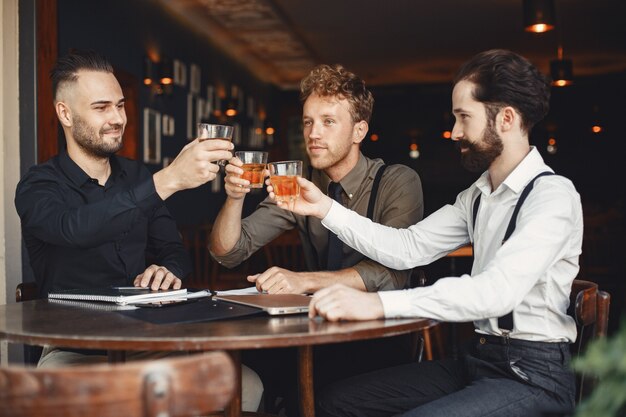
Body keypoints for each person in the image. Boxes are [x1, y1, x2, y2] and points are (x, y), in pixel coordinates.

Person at [271, 49, 582, 417]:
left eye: (464, 117)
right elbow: (408, 247)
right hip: (476, 359)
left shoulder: (552, 196)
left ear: (506, 119)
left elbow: (495, 293)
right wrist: (324, 208)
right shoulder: (478, 196)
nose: (455, 132)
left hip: (532, 375)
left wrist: (377, 304)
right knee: (335, 400)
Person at [14, 49, 263, 412]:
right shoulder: (38, 185)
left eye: (120, 105)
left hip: (150, 342)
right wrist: (169, 179)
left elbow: (175, 252)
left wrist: (169, 270)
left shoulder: (136, 176)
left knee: (247, 385)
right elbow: (74, 229)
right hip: (74, 350)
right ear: (64, 113)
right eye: (101, 108)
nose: (117, 118)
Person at [209, 64, 423, 411]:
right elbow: (228, 253)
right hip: (315, 332)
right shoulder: (297, 180)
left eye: (328, 121)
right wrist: (234, 197)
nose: (313, 133)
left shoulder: (397, 181)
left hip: (378, 335)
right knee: (227, 364)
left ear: (359, 130)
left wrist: (303, 281)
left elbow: (391, 275)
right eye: (308, 121)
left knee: (302, 397)